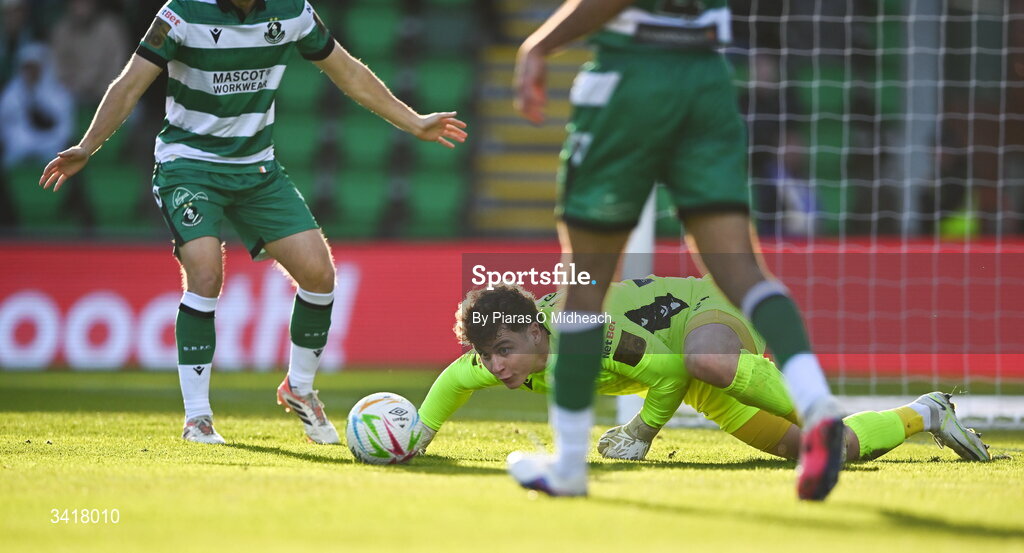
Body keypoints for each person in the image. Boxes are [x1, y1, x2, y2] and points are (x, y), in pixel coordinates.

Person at [38, 0, 467, 445]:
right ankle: (198, 418)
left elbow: (348, 71)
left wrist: (413, 121)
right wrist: (88, 146)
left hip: (256, 170)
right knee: (205, 273)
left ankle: (300, 389)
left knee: (320, 274)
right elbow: (130, 85)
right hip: (189, 165)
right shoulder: (182, 12)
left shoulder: (293, 12)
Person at [509, 0, 845, 499]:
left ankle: (569, 466)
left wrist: (540, 45)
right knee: (743, 272)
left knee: (583, 286)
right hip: (707, 78)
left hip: (632, 74)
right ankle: (817, 405)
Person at [413, 279, 989, 469]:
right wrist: (417, 435)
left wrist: (642, 431)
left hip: (701, 314)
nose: (495, 366)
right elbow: (452, 380)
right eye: (487, 356)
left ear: (537, 331)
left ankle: (810, 401)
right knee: (829, 452)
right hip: (684, 378)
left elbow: (665, 372)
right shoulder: (503, 351)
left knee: (702, 362)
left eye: (503, 352)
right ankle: (928, 411)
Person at [0, 43, 74, 168]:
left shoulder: (58, 92)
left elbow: (63, 125)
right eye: (27, 68)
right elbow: (5, 121)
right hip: (20, 141)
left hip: (50, 140)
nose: (31, 72)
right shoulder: (11, 92)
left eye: (35, 67)